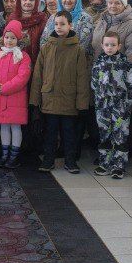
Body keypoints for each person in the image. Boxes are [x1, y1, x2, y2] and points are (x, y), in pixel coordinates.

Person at [31, 11, 91, 174]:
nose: (59, 27)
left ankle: (70, 161)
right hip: (49, 98)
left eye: (63, 24)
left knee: (69, 134)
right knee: (49, 133)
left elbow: (82, 77)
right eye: (56, 24)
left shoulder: (77, 49)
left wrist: (82, 103)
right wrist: (34, 100)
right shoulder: (46, 48)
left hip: (68, 100)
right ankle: (48, 160)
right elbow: (38, 75)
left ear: (70, 25)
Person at [92, 31, 132, 179]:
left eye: (113, 45)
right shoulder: (98, 64)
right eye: (107, 45)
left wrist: (126, 104)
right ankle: (105, 163)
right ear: (102, 46)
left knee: (120, 135)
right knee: (104, 134)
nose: (110, 48)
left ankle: (118, 165)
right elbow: (94, 84)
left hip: (121, 107)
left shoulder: (126, 65)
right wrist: (100, 100)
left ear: (119, 46)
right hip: (102, 107)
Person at [0, 20, 33, 169]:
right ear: (3, 38)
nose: (9, 40)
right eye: (7, 37)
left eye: (13, 38)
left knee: (15, 127)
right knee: (4, 127)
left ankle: (14, 156)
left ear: (18, 39)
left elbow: (22, 77)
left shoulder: (23, 56)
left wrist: (4, 88)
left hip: (15, 99)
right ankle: (4, 154)